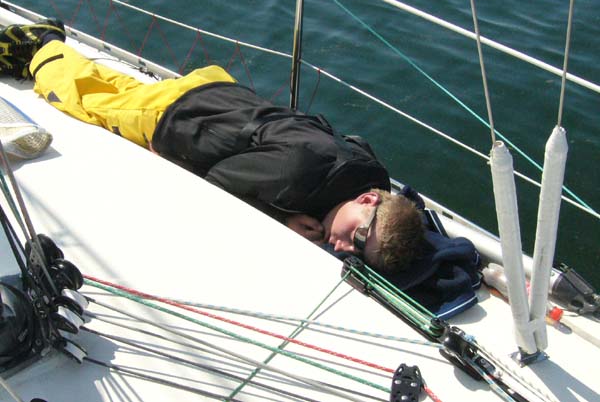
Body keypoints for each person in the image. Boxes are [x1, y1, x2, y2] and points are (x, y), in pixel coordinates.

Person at [0, 18, 425, 274]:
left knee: (121, 88)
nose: (343, 248)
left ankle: (59, 51)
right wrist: (281, 217)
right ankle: (39, 47)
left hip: (221, 91)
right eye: (357, 236)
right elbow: (216, 180)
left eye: (357, 252)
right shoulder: (294, 179)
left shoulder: (371, 173)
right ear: (368, 200)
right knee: (80, 101)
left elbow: (348, 141)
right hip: (176, 117)